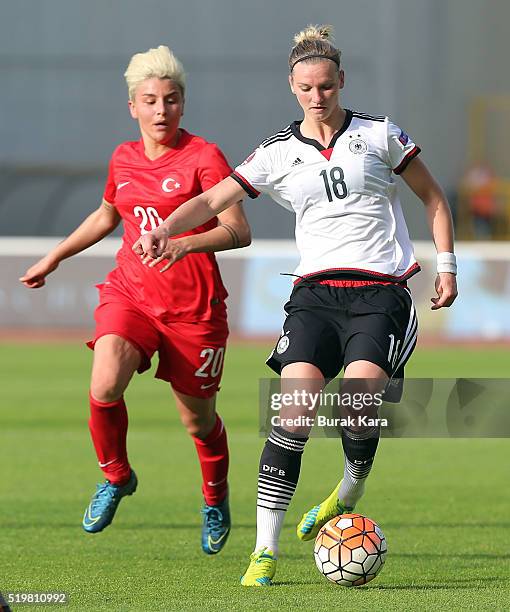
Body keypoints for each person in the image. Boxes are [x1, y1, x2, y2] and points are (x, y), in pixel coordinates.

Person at [134, 25, 458, 585]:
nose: (317, 98)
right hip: (313, 296)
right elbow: (213, 199)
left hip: (381, 293)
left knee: (357, 400)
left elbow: (433, 197)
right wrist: (166, 230)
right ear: (292, 86)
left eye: (326, 87)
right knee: (294, 413)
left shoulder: (380, 135)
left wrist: (448, 265)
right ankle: (264, 552)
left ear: (341, 82)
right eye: (306, 88)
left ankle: (348, 488)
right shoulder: (278, 152)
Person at [20, 45, 251, 555]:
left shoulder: (204, 156)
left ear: (183, 103)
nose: (161, 110)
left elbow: (238, 230)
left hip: (194, 308)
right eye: (150, 100)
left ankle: (215, 498)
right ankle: (117, 476)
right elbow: (107, 216)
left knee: (199, 420)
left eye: (171, 99)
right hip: (132, 294)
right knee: (104, 383)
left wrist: (182, 241)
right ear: (133, 106)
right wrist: (54, 257)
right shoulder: (122, 157)